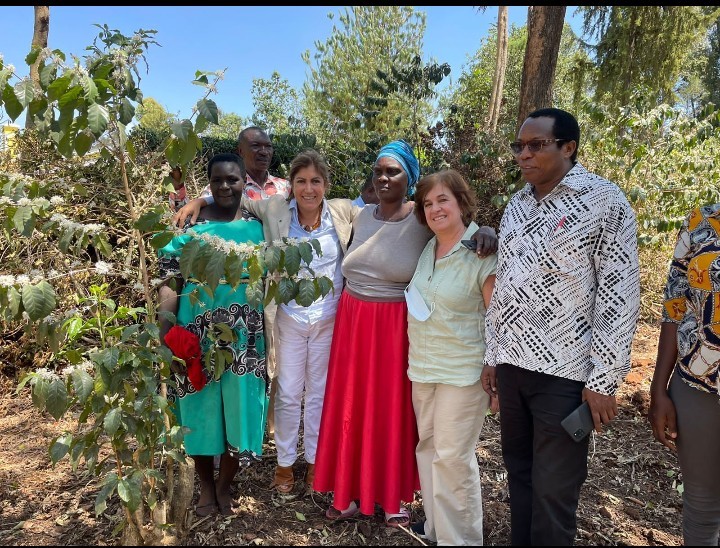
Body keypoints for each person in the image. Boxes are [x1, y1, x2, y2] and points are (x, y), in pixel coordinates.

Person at [313, 140, 498, 528]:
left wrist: (488, 233)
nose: (383, 178)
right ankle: (348, 492)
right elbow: (292, 200)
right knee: (352, 408)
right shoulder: (359, 216)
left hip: (396, 329)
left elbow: (458, 234)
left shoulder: (421, 218)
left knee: (392, 412)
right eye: (378, 170)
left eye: (393, 171)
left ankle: (394, 496)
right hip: (353, 326)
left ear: (409, 178)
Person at [480, 108, 641, 545]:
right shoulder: (516, 206)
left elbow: (618, 296)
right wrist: (493, 358)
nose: (524, 154)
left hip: (566, 375)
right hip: (512, 368)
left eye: (537, 145)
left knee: (555, 492)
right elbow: (507, 287)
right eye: (519, 146)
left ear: (568, 147)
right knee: (520, 477)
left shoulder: (605, 202)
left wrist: (603, 380)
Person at [237, 150, 356, 499]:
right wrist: (191, 202)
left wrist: (473, 227)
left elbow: (389, 213)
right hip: (288, 318)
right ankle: (285, 464)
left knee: (319, 393)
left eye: (315, 181)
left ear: (326, 185)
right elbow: (233, 197)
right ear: (292, 185)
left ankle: (316, 462)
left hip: (328, 319)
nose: (308, 189)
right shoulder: (276, 210)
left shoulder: (343, 212)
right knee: (288, 392)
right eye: (301, 181)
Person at [158, 152, 268, 517]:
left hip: (246, 336)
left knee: (241, 407)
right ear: (209, 183)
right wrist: (165, 330)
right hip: (196, 333)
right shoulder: (192, 227)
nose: (225, 186)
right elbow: (171, 281)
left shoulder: (260, 227)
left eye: (232, 179)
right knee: (199, 409)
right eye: (217, 180)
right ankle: (206, 486)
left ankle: (225, 485)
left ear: (243, 183)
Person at [173, 126, 290, 440]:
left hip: (263, 293)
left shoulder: (284, 187)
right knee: (207, 383)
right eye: (255, 145)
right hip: (215, 303)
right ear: (241, 150)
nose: (263, 151)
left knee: (266, 371)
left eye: (267, 145)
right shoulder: (231, 182)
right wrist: (195, 201)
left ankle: (265, 434)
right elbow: (216, 200)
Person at [406, 169, 498, 545]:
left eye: (443, 199)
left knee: (453, 458)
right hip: (423, 367)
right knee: (427, 449)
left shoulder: (481, 251)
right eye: (428, 203)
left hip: (464, 372)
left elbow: (498, 318)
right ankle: (435, 527)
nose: (435, 208)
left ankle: (460, 540)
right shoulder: (428, 247)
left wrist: (497, 374)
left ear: (461, 202)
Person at [649, 204, 720, 546]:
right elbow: (674, 307)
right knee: (702, 507)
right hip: (698, 385)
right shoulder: (700, 222)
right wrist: (658, 388)